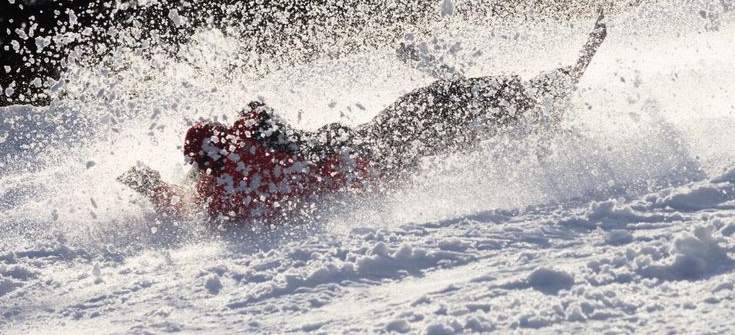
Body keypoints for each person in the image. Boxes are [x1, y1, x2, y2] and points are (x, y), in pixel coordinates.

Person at [119, 12, 607, 221]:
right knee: (436, 107)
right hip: (366, 160)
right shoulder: (247, 154)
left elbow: (180, 203)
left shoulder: (216, 196)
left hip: (361, 164)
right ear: (221, 148)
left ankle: (525, 106)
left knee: (441, 122)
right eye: (222, 137)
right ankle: (536, 97)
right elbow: (263, 115)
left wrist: (148, 186)